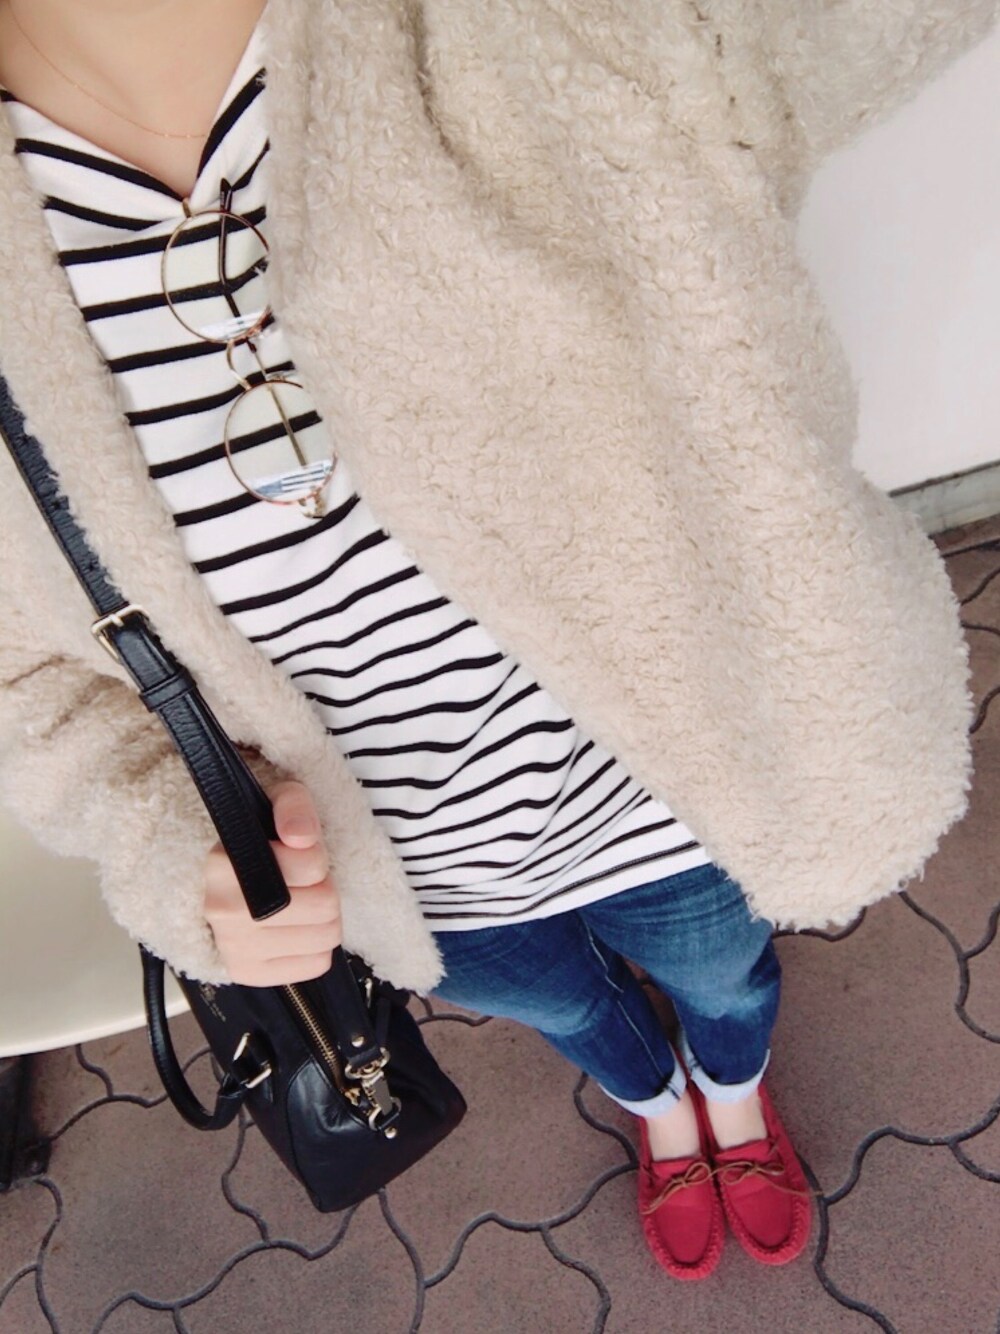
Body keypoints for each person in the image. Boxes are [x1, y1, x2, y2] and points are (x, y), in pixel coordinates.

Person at [0, 0, 990, 1282]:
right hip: (416, 888)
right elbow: (31, 684)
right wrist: (169, 848)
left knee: (725, 977)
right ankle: (655, 1103)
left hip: (669, 797)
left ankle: (732, 1089)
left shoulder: (528, 27)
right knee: (572, 1007)